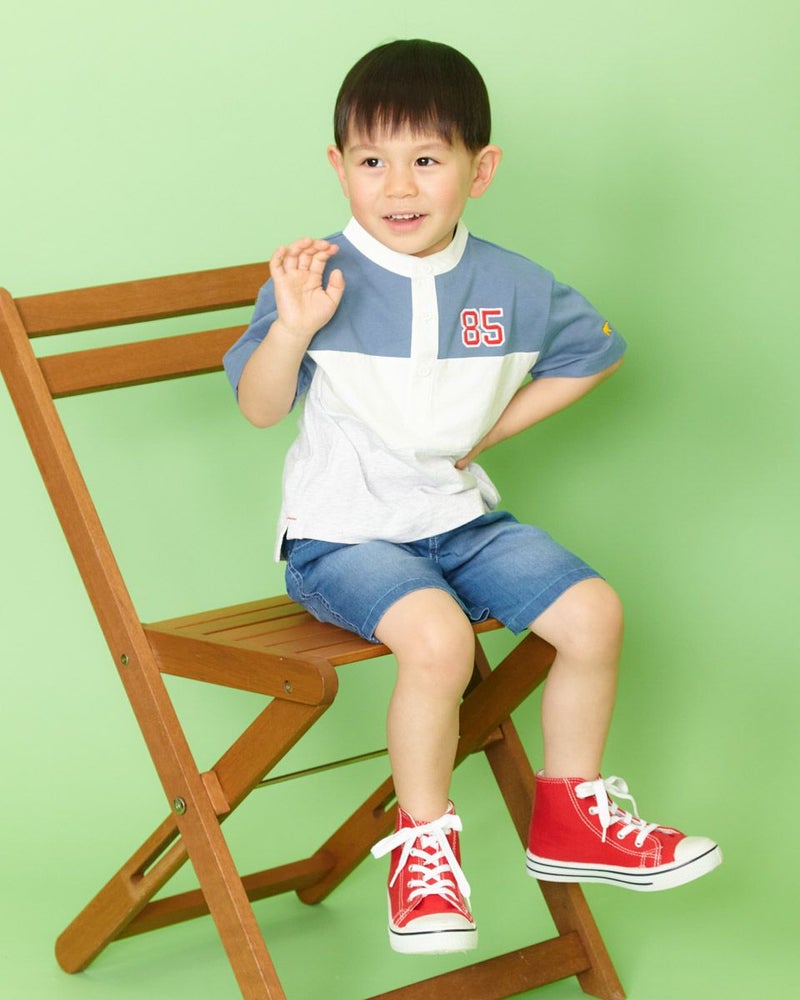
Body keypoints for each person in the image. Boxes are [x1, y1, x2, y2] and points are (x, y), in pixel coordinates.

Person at [223, 38, 721, 956]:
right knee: (441, 639)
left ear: (479, 170)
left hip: (459, 522)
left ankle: (570, 817)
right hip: (343, 539)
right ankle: (423, 850)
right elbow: (259, 408)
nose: (397, 186)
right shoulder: (316, 278)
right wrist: (291, 331)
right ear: (338, 166)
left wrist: (487, 433)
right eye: (371, 161)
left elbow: (596, 353)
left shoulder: (514, 284)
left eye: (426, 160)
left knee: (595, 613)